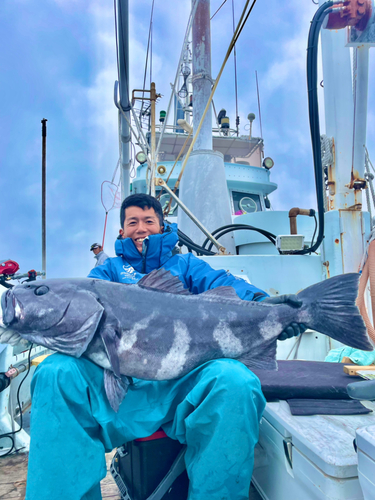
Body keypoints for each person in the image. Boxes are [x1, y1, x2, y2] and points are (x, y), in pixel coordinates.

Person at [26, 194, 306, 500]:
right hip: (122, 389)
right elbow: (78, 317)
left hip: (184, 384)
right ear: (122, 231)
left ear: (162, 226)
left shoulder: (186, 265)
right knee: (54, 371)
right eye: (132, 222)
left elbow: (226, 286)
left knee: (236, 381)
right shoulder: (106, 274)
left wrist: (266, 306)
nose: (141, 227)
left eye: (149, 221)